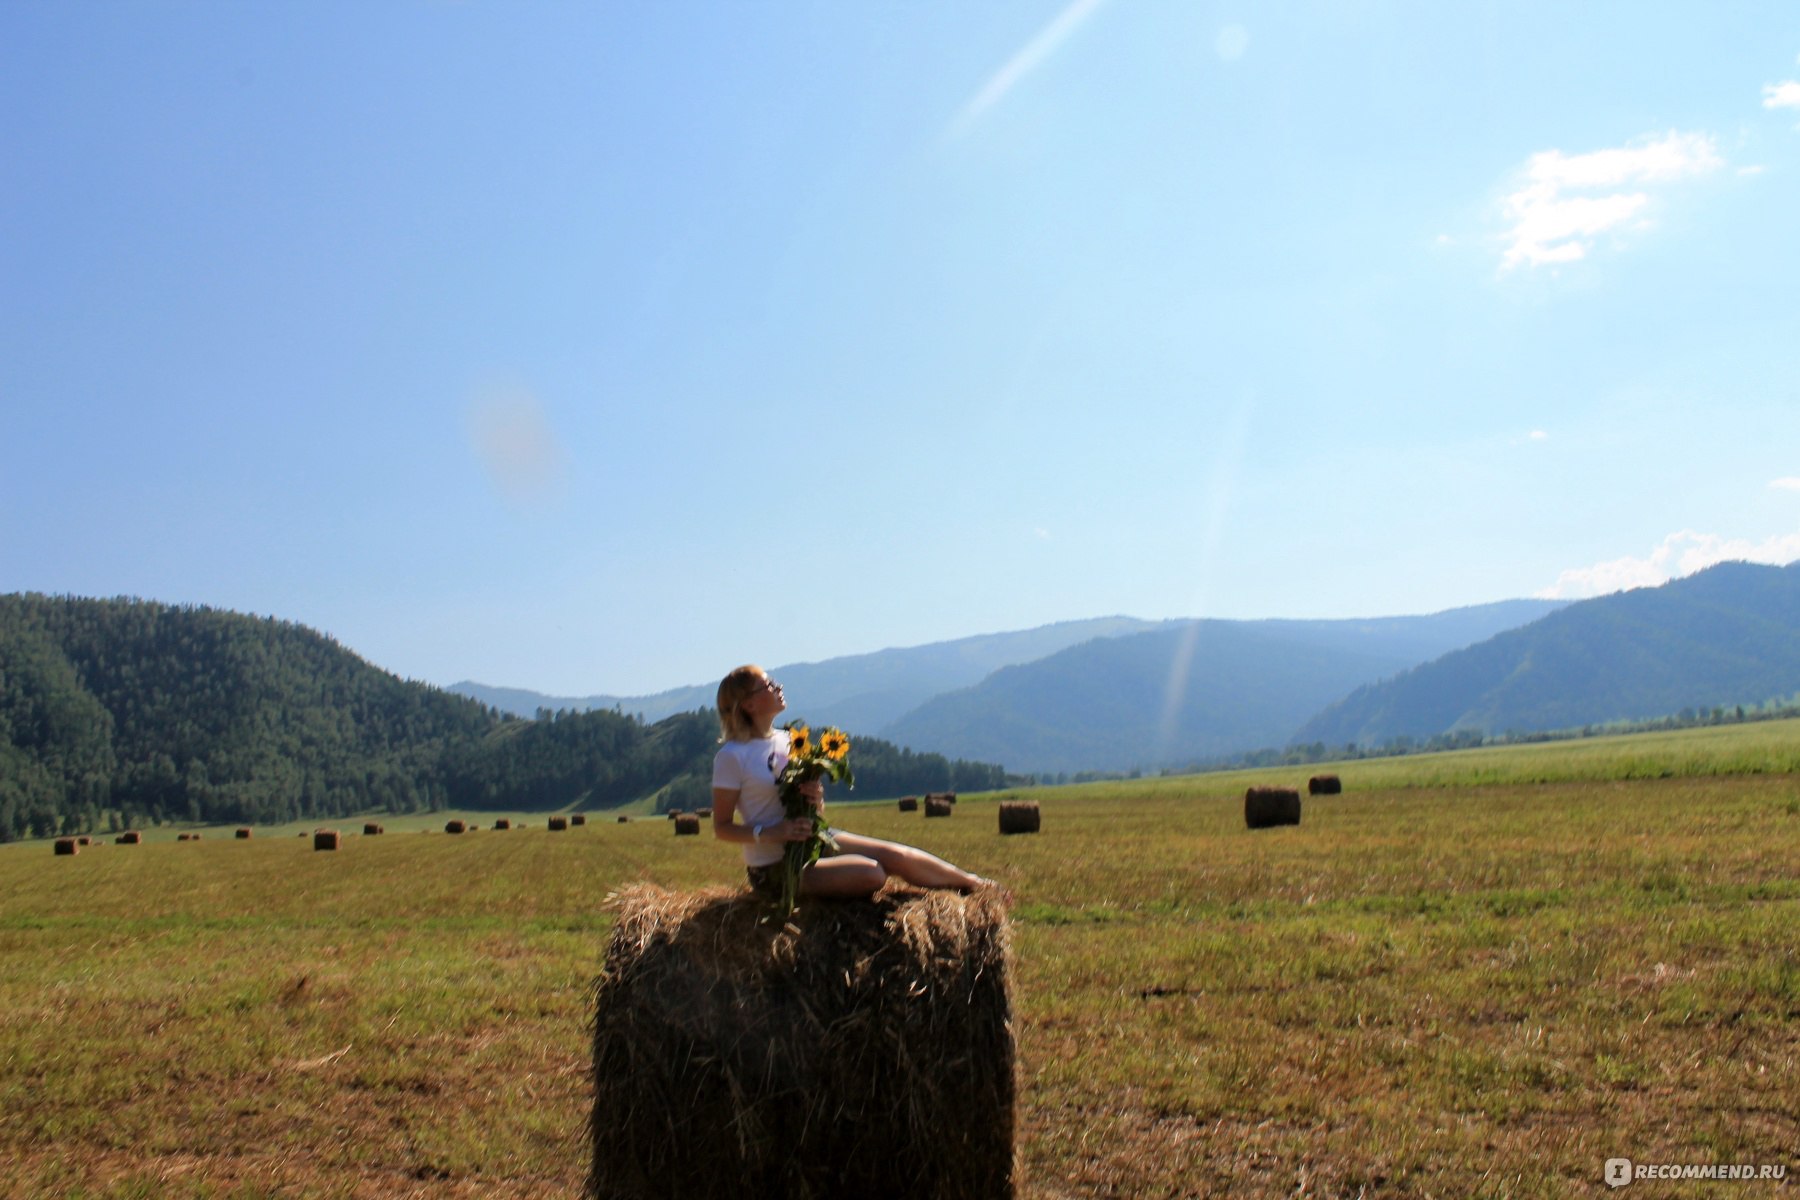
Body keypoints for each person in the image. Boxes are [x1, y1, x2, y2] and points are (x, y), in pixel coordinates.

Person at [711, 664, 992, 899]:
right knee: (872, 872)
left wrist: (816, 798)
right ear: (748, 704)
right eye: (767, 685)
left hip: (816, 841)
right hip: (775, 867)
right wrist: (773, 833)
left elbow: (813, 808)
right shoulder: (732, 757)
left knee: (896, 855)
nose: (777, 687)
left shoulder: (790, 740)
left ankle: (975, 884)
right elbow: (722, 828)